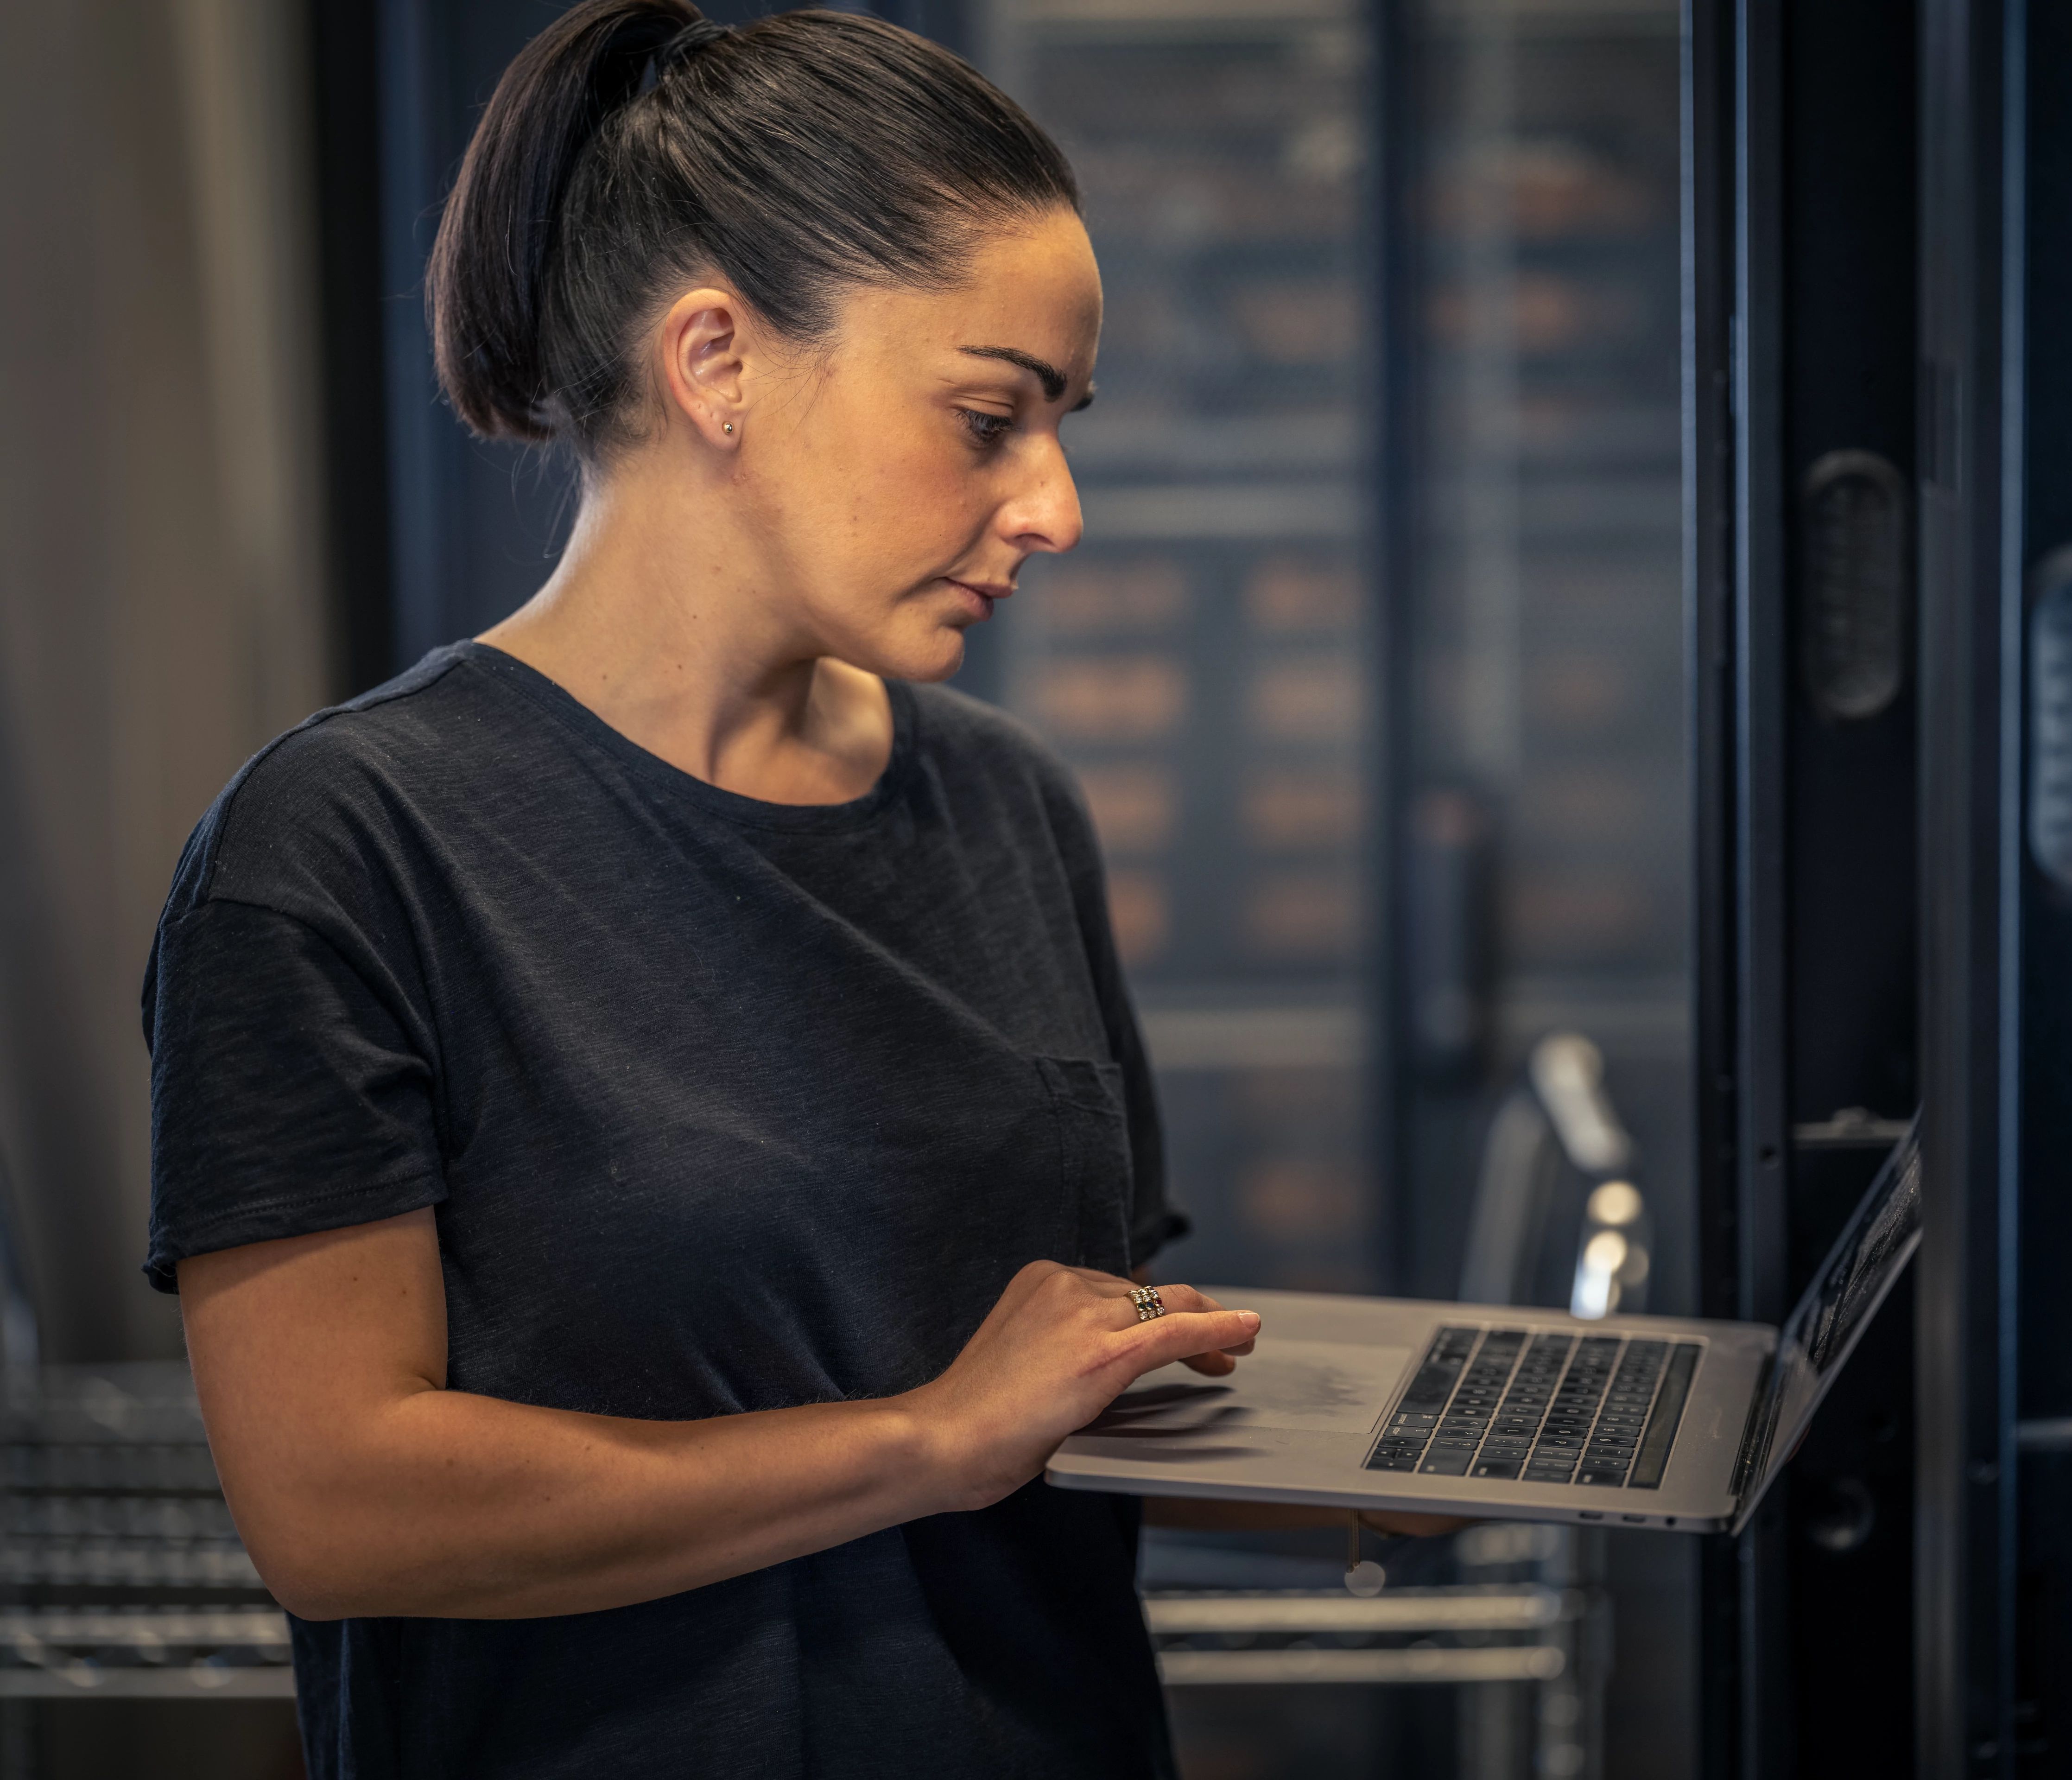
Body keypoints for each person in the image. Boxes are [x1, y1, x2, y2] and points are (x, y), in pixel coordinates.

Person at [143, 6, 1266, 1774]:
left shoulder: (1006, 806)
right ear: (720, 361)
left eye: (1060, 425)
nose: (1052, 505)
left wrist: (1389, 1454)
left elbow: (1083, 1358)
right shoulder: (347, 851)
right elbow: (337, 1506)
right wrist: (921, 1441)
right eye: (989, 417)